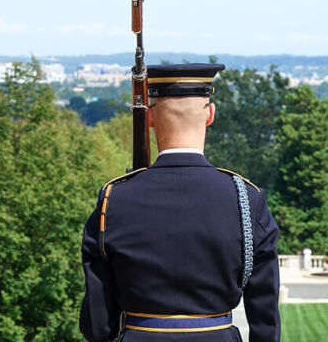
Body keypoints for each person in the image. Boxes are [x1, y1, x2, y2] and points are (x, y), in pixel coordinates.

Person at [79, 63, 281, 342]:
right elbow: (265, 318)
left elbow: (98, 325)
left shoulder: (114, 199)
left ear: (149, 118)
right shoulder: (246, 198)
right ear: (210, 115)